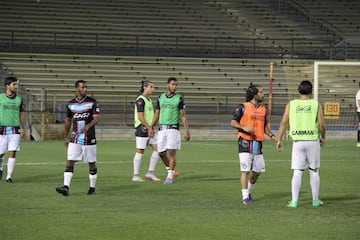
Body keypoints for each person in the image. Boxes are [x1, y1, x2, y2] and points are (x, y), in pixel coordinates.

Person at [276, 80, 326, 208]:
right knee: (314, 170)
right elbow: (321, 124)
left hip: (298, 141)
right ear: (311, 91)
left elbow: (283, 122)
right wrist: (323, 137)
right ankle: (315, 201)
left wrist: (279, 139)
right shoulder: (315, 104)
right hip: (312, 140)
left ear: (299, 90)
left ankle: (294, 201)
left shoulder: (291, 104)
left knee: (297, 171)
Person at [230, 83, 277, 205]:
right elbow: (233, 122)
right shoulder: (243, 107)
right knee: (245, 170)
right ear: (254, 94)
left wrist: (273, 137)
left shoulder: (262, 109)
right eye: (261, 92)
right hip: (245, 141)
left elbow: (265, 127)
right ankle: (245, 197)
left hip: (258, 142)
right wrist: (244, 127)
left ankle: (248, 190)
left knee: (258, 171)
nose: (263, 94)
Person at [56, 80, 101, 196]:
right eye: (82, 87)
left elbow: (96, 118)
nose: (84, 89)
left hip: (89, 137)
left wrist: (88, 126)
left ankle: (92, 188)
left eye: (85, 87)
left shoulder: (92, 102)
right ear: (77, 89)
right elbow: (68, 121)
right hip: (75, 137)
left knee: (91, 163)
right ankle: (66, 187)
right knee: (70, 162)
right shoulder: (70, 104)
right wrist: (65, 137)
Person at [152, 77, 190, 185]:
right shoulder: (160, 98)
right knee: (161, 153)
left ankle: (169, 176)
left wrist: (186, 130)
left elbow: (182, 116)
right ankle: (172, 171)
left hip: (173, 128)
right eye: (173, 84)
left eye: (176, 85)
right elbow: (156, 113)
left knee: (172, 152)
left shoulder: (179, 98)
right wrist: (151, 127)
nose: (175, 87)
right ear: (167, 85)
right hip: (161, 129)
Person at [132, 80, 160, 182]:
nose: (153, 89)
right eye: (151, 87)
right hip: (142, 128)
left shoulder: (148, 100)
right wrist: (149, 127)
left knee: (158, 149)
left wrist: (151, 127)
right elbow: (140, 117)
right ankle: (135, 175)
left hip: (149, 128)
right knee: (140, 151)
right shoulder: (140, 100)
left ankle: (150, 173)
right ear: (145, 87)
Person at [0, 76, 26, 183]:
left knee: (12, 152)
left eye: (17, 84)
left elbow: (22, 114)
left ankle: (9, 177)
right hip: (2, 129)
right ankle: (1, 167)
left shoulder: (19, 99)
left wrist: (25, 128)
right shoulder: (0, 97)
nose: (16, 86)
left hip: (15, 129)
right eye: (14, 84)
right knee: (1, 153)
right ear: (7, 85)